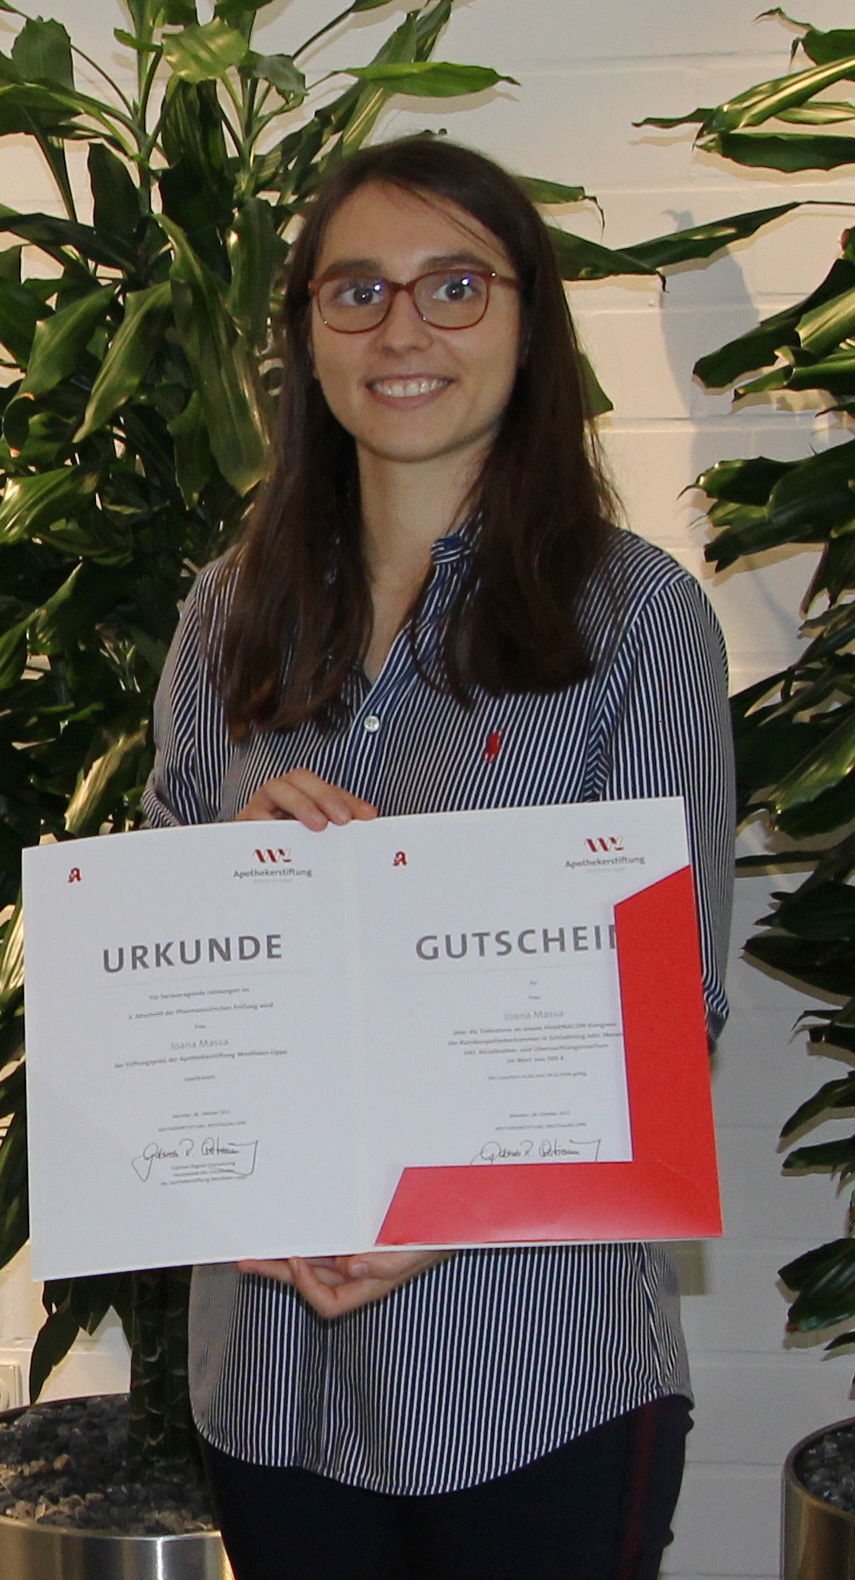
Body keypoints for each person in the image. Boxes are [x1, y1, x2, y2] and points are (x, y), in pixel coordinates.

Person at [144, 135, 727, 1578]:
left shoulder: (638, 619)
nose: (402, 331)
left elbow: (669, 1009)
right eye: (358, 291)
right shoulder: (227, 614)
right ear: (308, 336)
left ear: (530, 324)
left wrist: (448, 1209)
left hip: (532, 1370)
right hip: (269, 1379)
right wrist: (223, 869)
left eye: (455, 286)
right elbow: (154, 976)